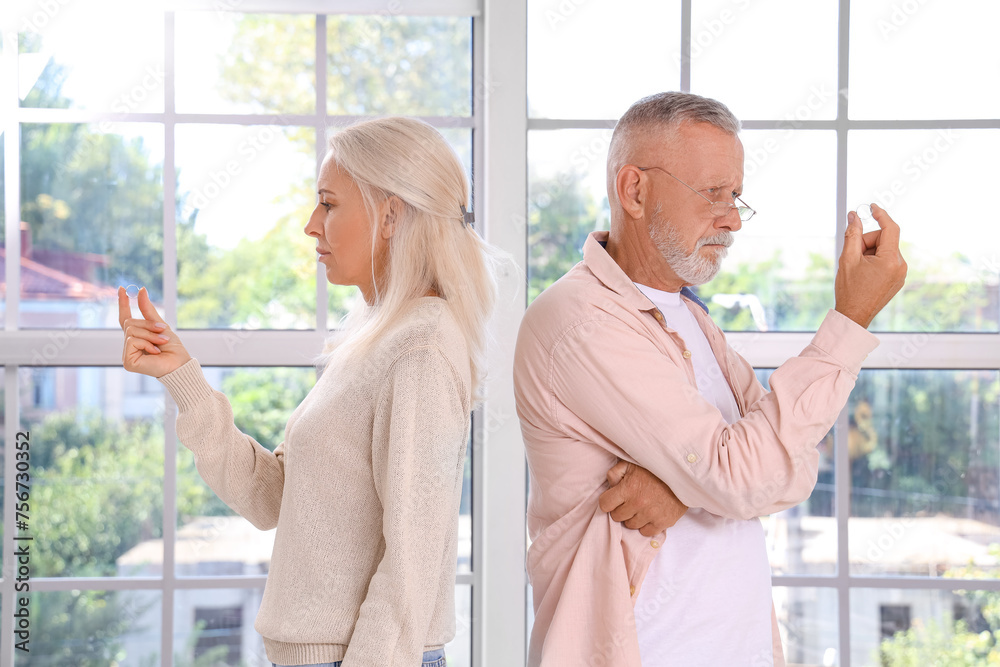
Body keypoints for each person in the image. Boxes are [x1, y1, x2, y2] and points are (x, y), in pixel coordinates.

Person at [513, 92, 907, 666]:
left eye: (736, 197)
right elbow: (742, 475)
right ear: (635, 191)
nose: (731, 218)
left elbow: (793, 469)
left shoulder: (689, 316)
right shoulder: (580, 321)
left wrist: (683, 488)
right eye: (712, 194)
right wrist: (849, 322)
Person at [119, 117, 498, 667]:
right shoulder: (373, 337)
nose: (311, 225)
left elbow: (411, 561)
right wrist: (185, 379)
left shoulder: (423, 346)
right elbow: (271, 496)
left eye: (329, 204)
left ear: (390, 215)